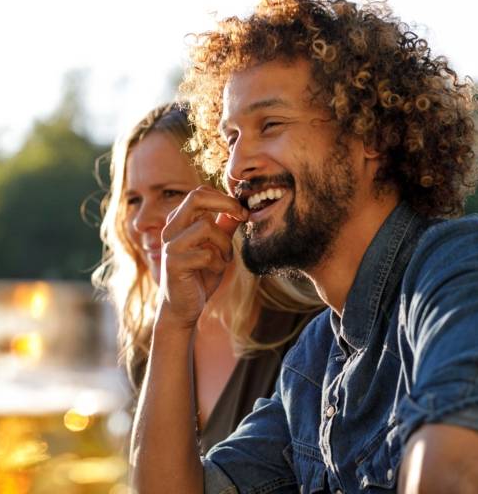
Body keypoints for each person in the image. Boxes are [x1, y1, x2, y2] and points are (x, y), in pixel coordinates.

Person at [129, 0, 478, 494]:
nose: (237, 167)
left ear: (369, 135)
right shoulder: (314, 364)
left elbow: (460, 472)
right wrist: (175, 319)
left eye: (271, 125)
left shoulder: (476, 266)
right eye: (231, 138)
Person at [93, 102, 323, 454]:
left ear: (228, 198)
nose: (141, 223)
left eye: (169, 193)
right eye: (133, 200)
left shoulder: (308, 333)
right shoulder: (142, 344)